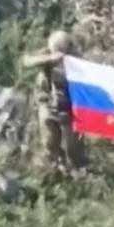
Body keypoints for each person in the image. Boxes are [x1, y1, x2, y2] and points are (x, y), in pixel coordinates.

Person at [22, 30, 86, 175]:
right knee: (49, 140)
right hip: (48, 103)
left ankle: (80, 170)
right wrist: (50, 58)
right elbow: (27, 60)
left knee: (73, 145)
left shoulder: (75, 57)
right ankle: (58, 164)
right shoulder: (46, 54)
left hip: (70, 106)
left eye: (62, 48)